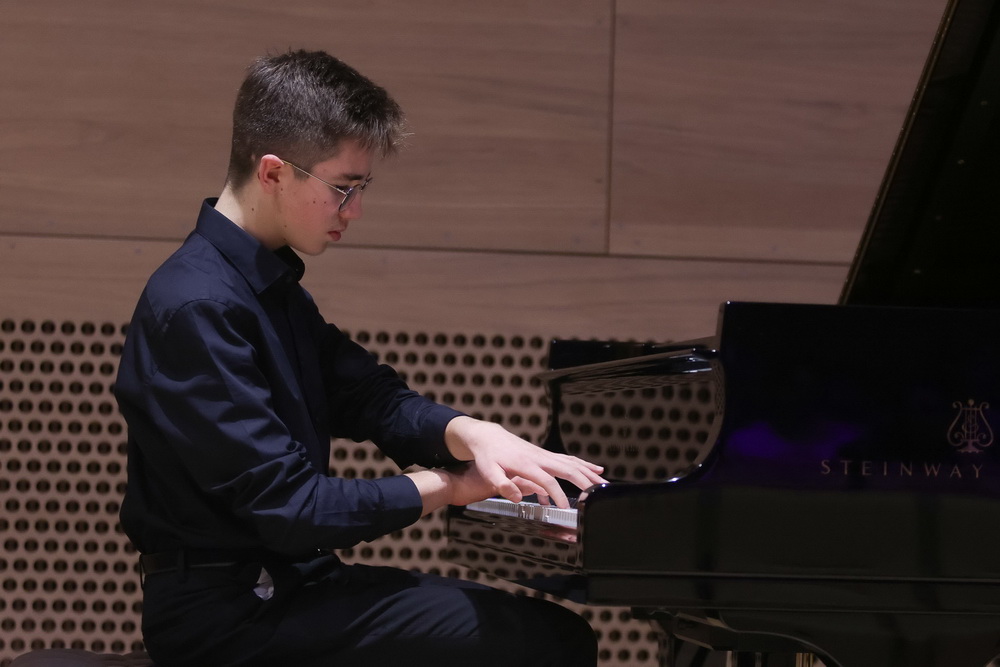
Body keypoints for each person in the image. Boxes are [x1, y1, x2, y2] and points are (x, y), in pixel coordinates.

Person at [113, 49, 606, 667]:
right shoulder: (198, 306)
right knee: (543, 645)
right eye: (342, 189)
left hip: (288, 586)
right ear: (273, 173)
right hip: (229, 618)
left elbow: (370, 396)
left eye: (361, 189)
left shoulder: (268, 290)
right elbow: (294, 509)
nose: (355, 211)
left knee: (543, 633)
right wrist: (450, 485)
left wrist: (474, 433)